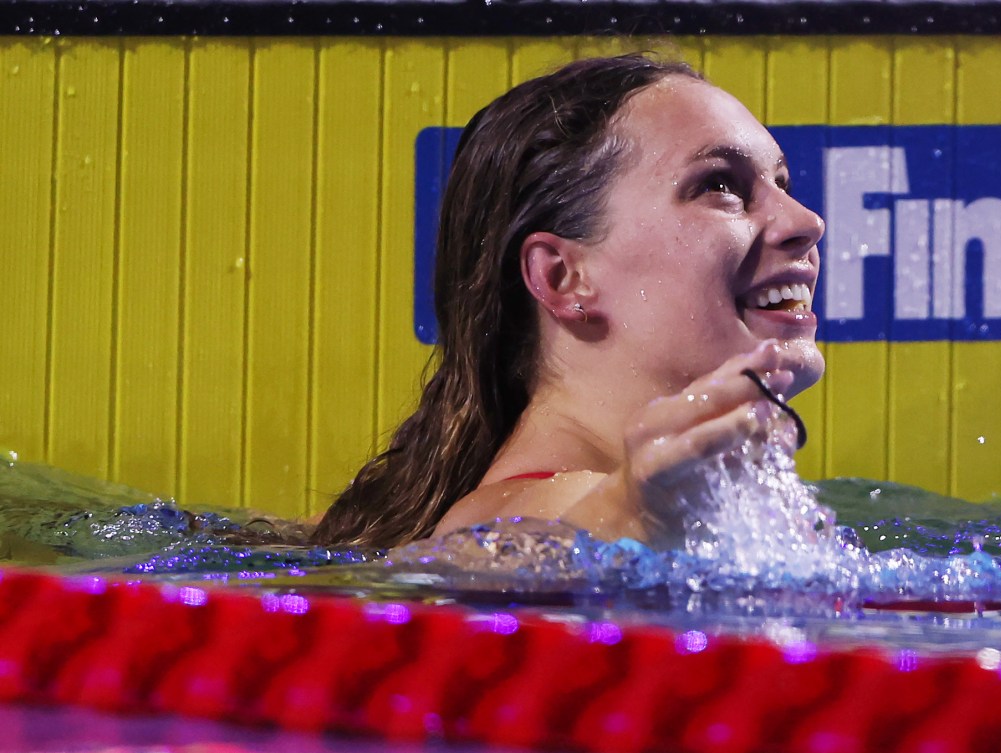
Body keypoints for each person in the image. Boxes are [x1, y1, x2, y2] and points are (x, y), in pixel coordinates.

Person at [311, 54, 824, 550]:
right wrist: (629, 513)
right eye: (719, 184)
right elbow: (494, 552)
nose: (806, 222)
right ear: (563, 278)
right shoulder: (540, 508)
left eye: (781, 183)